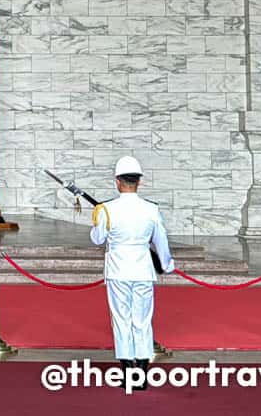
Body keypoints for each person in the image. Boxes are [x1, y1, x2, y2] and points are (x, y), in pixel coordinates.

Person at [90, 155, 175, 390]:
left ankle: (128, 373)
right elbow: (161, 241)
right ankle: (142, 374)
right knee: (142, 320)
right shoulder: (151, 209)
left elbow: (98, 239)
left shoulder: (107, 209)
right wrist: (167, 264)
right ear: (140, 181)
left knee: (122, 320)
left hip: (118, 269)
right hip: (142, 269)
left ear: (117, 182)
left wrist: (97, 219)